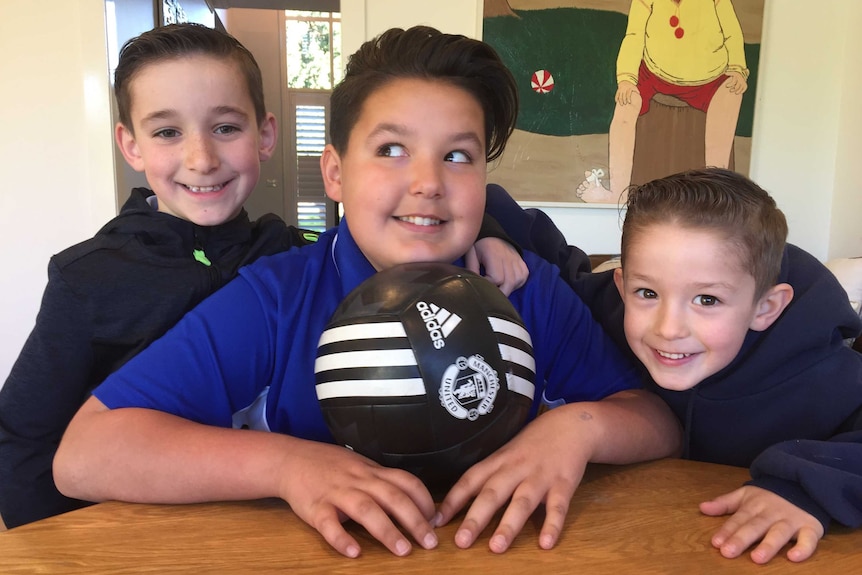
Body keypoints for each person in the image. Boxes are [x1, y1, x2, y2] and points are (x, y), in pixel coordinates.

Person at [53, 26, 681, 558]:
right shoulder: (277, 297)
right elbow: (86, 453)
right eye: (390, 149)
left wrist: (578, 428)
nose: (428, 182)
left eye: (458, 157)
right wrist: (286, 466)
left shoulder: (524, 287)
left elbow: (657, 422)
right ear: (335, 172)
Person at [0, 23, 526, 531]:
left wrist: (485, 231)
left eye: (226, 127)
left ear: (265, 134)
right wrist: (51, 545)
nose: (201, 158)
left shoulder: (286, 254)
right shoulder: (87, 276)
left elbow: (389, 226)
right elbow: (25, 436)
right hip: (117, 516)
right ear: (131, 144)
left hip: (244, 520)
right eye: (167, 131)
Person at [485, 167, 862, 564]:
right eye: (647, 292)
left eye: (707, 300)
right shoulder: (608, 312)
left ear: (765, 307)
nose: (668, 329)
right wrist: (491, 234)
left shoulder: (817, 369)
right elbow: (512, 219)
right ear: (621, 286)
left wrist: (805, 488)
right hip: (628, 541)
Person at [578, 0, 748, 203]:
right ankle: (618, 193)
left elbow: (732, 32)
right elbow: (634, 37)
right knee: (626, 101)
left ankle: (717, 193)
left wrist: (738, 69)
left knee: (731, 94)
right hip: (654, 72)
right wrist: (626, 79)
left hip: (709, 78)